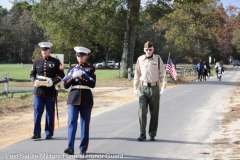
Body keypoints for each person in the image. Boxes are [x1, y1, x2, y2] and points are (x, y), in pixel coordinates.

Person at [63, 46, 96, 155]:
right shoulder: (72, 68)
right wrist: (72, 77)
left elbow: (93, 84)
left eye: (82, 56)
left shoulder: (91, 69)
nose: (79, 57)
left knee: (84, 124)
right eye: (78, 55)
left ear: (86, 56)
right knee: (72, 122)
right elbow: (66, 85)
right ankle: (70, 148)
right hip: (73, 97)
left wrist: (82, 77)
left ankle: (83, 148)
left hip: (86, 98)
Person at [30, 42, 65, 139]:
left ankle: (49, 133)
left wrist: (53, 81)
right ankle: (36, 133)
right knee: (37, 111)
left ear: (49, 50)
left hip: (50, 91)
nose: (44, 51)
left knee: (50, 112)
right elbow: (32, 74)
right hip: (38, 90)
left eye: (46, 50)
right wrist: (34, 81)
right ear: (41, 51)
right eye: (42, 50)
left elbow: (61, 75)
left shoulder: (56, 62)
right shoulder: (37, 62)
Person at [133, 41, 167, 141]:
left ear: (153, 50)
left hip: (154, 87)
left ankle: (152, 133)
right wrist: (135, 87)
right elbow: (137, 74)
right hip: (143, 87)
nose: (148, 51)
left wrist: (163, 86)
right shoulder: (140, 59)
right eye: (147, 49)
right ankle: (142, 133)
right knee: (142, 111)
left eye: (150, 49)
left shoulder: (158, 58)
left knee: (154, 112)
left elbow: (163, 73)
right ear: (144, 50)